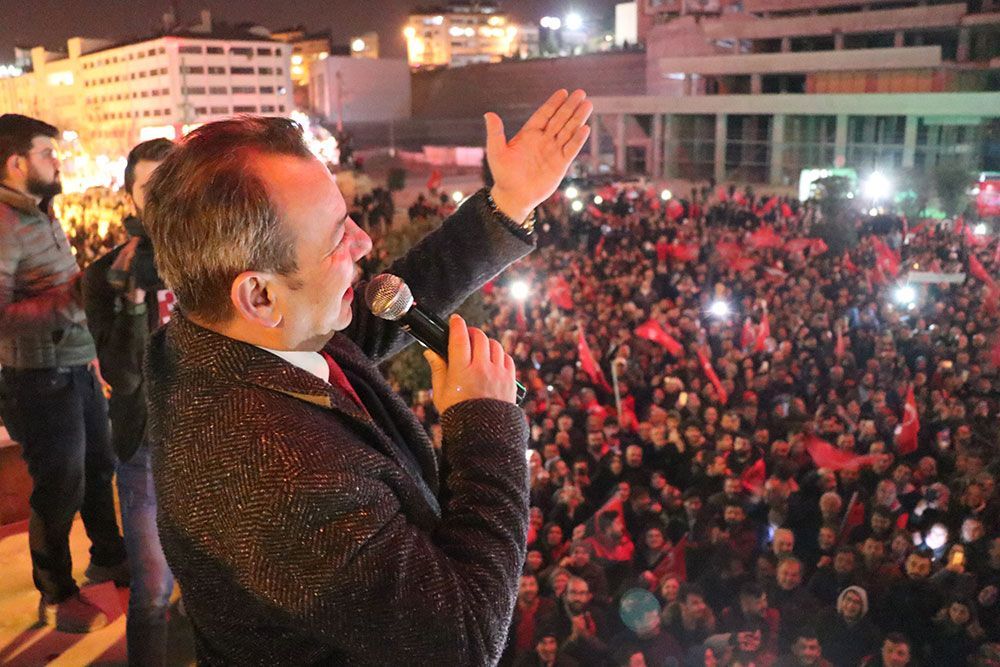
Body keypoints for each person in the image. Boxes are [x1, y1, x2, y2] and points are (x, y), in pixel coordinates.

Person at [142, 90, 593, 664]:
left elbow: (360, 326)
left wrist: (508, 204)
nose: (364, 242)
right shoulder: (279, 479)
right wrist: (484, 426)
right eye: (337, 238)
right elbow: (464, 641)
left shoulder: (223, 338)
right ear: (259, 293)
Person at [0, 114, 126, 632]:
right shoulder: (4, 224)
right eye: (48, 153)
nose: (58, 162)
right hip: (36, 379)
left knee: (99, 466)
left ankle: (111, 559)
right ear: (15, 163)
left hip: (75, 365)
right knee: (60, 484)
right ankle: (56, 594)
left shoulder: (38, 214)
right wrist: (74, 301)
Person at [81, 138, 176, 665]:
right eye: (150, 188)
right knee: (154, 594)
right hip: (145, 444)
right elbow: (120, 372)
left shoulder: (220, 259)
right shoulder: (104, 278)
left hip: (216, 440)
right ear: (130, 197)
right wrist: (137, 304)